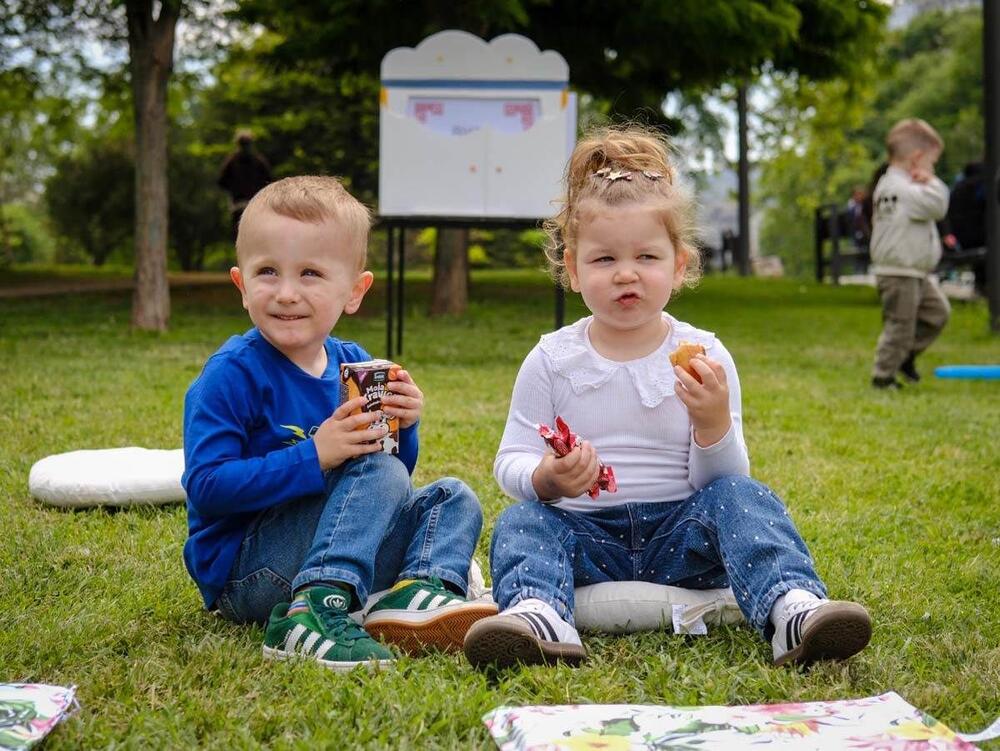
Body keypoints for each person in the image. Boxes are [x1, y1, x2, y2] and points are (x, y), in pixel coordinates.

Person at [463, 126, 872, 670]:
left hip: (681, 536)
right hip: (587, 538)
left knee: (745, 498)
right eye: (604, 259)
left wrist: (712, 426)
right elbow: (508, 459)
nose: (626, 273)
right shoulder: (552, 359)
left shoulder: (703, 354)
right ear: (572, 268)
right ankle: (540, 617)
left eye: (647, 258)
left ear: (679, 266)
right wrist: (545, 478)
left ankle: (792, 609)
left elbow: (722, 480)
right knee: (523, 522)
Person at [182, 175, 495, 672]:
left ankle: (417, 595)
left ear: (354, 291)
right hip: (248, 573)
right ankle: (311, 612)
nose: (286, 293)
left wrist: (403, 425)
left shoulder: (353, 364)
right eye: (267, 272)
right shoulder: (231, 374)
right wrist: (316, 454)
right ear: (241, 285)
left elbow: (390, 476)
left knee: (451, 496)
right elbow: (207, 487)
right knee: (380, 473)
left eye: (310, 273)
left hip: (333, 541)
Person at [869, 119, 951, 389]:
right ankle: (883, 375)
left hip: (913, 270)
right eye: (932, 163)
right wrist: (934, 182)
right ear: (917, 159)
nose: (932, 169)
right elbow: (938, 206)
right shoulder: (904, 190)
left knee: (937, 313)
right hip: (900, 270)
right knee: (900, 326)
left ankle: (904, 357)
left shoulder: (888, 185)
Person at [218, 130, 273, 242]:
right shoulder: (259, 161)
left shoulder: (231, 161)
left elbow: (221, 182)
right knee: (255, 236)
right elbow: (270, 181)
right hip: (255, 203)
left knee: (238, 238)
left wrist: (233, 189)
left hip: (237, 204)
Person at [947, 161, 987, 295]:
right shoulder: (983, 184)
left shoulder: (958, 186)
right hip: (983, 238)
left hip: (961, 239)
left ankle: (981, 288)